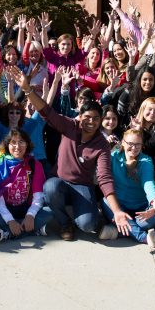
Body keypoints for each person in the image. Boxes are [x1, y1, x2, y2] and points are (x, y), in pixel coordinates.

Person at [10, 65, 131, 241]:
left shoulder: (102, 145)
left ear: (100, 121)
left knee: (88, 225)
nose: (91, 121)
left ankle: (89, 217)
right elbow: (46, 111)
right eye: (87, 117)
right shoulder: (69, 126)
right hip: (59, 181)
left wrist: (117, 210)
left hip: (82, 186)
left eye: (96, 118)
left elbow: (104, 178)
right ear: (80, 117)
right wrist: (28, 90)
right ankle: (65, 222)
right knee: (50, 188)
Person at [0, 130, 53, 245]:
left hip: (26, 208)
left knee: (50, 212)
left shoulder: (34, 164)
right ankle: (33, 230)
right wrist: (10, 220)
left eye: (21, 142)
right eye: (13, 142)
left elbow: (38, 195)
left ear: (27, 145)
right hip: (6, 209)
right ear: (7, 145)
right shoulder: (0, 165)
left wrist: (31, 215)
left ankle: (7, 232)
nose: (17, 147)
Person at [100, 129, 155, 249]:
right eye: (130, 144)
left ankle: (118, 232)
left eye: (138, 144)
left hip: (141, 210)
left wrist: (154, 201)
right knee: (106, 201)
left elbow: (148, 182)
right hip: (120, 206)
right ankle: (145, 237)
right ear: (123, 142)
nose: (134, 147)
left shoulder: (145, 161)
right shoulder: (113, 156)